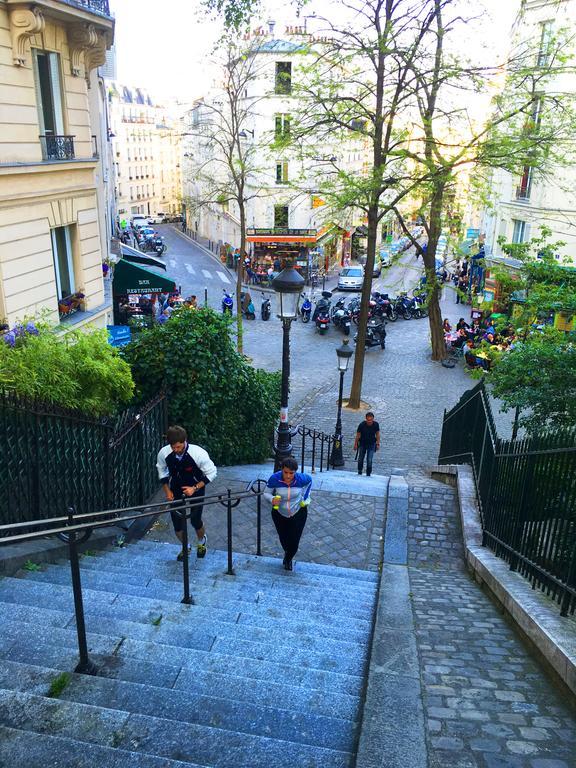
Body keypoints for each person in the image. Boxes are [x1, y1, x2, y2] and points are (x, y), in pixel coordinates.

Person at [156, 425, 217, 561]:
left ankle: (202, 542)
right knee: (177, 524)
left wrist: (194, 488)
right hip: (175, 488)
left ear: (185, 441)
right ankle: (186, 546)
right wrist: (167, 491)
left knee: (195, 521)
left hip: (196, 487)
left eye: (179, 447)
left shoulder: (198, 453)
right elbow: (162, 471)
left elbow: (212, 472)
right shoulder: (164, 453)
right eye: (173, 447)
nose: (176, 450)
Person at [264, 457, 312, 571]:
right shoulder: (274, 479)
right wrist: (272, 499)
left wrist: (305, 498)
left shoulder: (301, 479)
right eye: (286, 472)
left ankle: (288, 559)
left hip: (298, 513)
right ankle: (287, 552)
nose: (289, 476)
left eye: (292, 473)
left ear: (296, 472)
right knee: (284, 539)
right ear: (282, 470)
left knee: (294, 541)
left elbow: (310, 482)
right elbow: (266, 493)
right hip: (279, 514)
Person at [354, 412, 380, 476]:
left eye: (371, 420)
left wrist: (378, 443)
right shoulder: (361, 425)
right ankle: (360, 470)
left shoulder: (376, 424)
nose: (369, 422)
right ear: (366, 419)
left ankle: (368, 473)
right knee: (360, 458)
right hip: (362, 443)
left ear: (373, 419)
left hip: (371, 444)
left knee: (369, 459)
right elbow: (358, 435)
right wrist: (355, 444)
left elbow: (377, 434)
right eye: (368, 420)